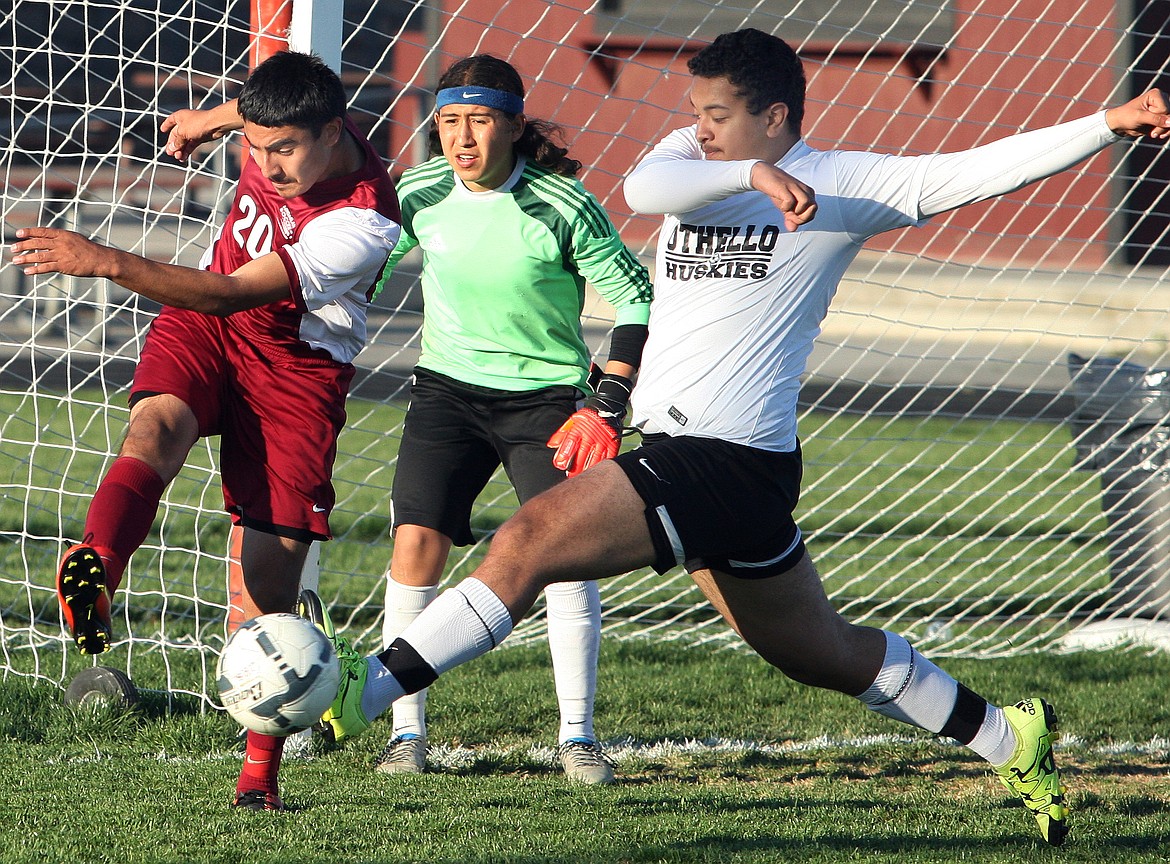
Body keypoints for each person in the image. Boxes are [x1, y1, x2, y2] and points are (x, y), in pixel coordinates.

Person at [311, 28, 1170, 843]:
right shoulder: (693, 161)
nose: (698, 129)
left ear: (778, 116)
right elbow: (647, 191)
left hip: (725, 457)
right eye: (697, 112)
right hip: (714, 464)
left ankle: (369, 687)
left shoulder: (843, 183)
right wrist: (754, 175)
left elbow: (974, 171)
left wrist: (1107, 123)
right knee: (822, 653)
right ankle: (1007, 737)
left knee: (529, 539)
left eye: (718, 116)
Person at [11, 51, 402, 812]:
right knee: (154, 427)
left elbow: (227, 292)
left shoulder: (362, 219)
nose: (265, 163)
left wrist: (105, 261)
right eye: (254, 147)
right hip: (210, 332)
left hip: (294, 369)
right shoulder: (284, 123)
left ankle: (258, 778)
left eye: (282, 150)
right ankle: (96, 571)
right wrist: (204, 120)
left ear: (333, 133)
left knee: (268, 586)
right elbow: (253, 113)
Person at [355, 54, 652, 784]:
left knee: (564, 560)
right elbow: (367, 270)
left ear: (516, 126)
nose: (462, 138)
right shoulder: (417, 191)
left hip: (546, 404)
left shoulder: (562, 203)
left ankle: (578, 736)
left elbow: (638, 300)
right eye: (449, 121)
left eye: (479, 121)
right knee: (415, 544)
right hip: (445, 395)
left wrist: (607, 400)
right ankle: (405, 733)